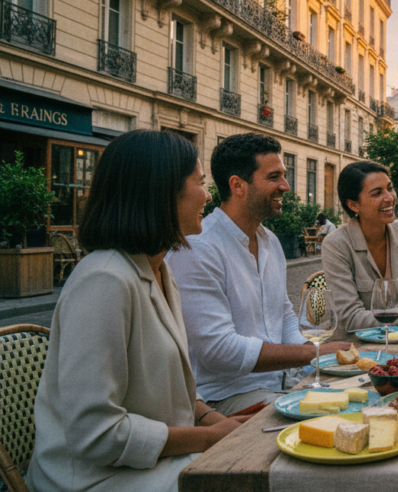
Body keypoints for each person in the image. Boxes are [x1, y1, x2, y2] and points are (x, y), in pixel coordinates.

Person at [28, 131, 242, 492]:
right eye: (201, 182)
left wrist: (215, 420)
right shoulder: (104, 280)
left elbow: (170, 391)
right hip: (95, 478)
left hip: (150, 463)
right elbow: (94, 434)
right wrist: (206, 439)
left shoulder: (158, 268)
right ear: (161, 191)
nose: (208, 195)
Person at [167, 134, 350, 415]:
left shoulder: (270, 242)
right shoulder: (199, 247)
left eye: (284, 176)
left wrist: (315, 354)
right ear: (238, 185)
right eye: (274, 177)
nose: (285, 186)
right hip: (224, 398)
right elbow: (219, 351)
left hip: (279, 384)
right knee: (333, 415)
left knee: (358, 395)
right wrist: (312, 354)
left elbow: (284, 315)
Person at [322, 161, 398, 340]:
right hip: (356, 351)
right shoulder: (336, 244)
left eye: (390, 188)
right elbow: (351, 318)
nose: (389, 197)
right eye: (377, 193)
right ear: (353, 205)